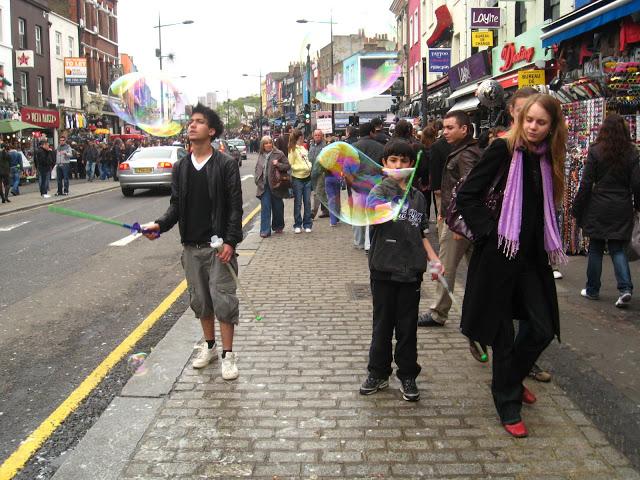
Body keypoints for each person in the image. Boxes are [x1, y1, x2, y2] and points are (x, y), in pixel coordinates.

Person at [456, 94, 568, 438]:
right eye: (529, 120)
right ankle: (507, 403)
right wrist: (490, 233)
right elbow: (467, 196)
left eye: (541, 122)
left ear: (552, 127)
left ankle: (510, 381)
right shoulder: (503, 150)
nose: (533, 128)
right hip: (499, 257)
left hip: (532, 259)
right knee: (503, 336)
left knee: (542, 327)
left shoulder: (548, 156)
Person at [142, 103, 243, 380]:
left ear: (211, 131)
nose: (192, 125)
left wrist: (231, 242)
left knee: (224, 301)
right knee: (200, 301)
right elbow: (176, 207)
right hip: (191, 247)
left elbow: (235, 207)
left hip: (218, 247)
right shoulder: (181, 167)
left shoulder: (226, 165)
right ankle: (209, 347)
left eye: (199, 122)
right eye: (191, 121)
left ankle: (228, 356)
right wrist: (159, 226)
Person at [359, 140, 443, 402]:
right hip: (383, 268)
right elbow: (373, 215)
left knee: (407, 327)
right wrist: (393, 204)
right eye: (393, 160)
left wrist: (434, 259)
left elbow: (421, 233)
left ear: (410, 164)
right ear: (384, 164)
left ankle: (407, 374)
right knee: (382, 325)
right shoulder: (378, 192)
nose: (398, 165)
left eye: (404, 161)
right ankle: (378, 372)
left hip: (411, 271)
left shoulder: (417, 197)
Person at [418, 111, 481, 328]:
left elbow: (470, 189)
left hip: (458, 223)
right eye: (444, 127)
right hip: (463, 219)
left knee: (446, 266)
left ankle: (438, 312)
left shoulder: (466, 155)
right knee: (476, 268)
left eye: (450, 128)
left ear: (464, 129)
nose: (444, 132)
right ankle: (482, 312)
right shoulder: (464, 150)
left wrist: (457, 218)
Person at [573, 113, 640, 308]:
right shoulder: (632, 152)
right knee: (617, 247)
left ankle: (592, 289)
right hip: (622, 204)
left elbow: (586, 183)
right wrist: (637, 207)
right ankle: (625, 288)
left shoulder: (596, 151)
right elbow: (637, 184)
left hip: (599, 204)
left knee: (595, 247)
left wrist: (578, 207)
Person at [352, 123, 386, 250]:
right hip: (374, 183)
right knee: (372, 212)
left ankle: (359, 241)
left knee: (357, 212)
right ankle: (370, 241)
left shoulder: (353, 147)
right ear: (372, 132)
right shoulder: (380, 147)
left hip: (358, 184)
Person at [255, 135, 289, 237]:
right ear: (262, 145)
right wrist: (257, 179)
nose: (268, 145)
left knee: (278, 207)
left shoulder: (278, 153)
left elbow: (287, 165)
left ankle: (278, 226)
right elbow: (257, 168)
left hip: (276, 185)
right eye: (266, 143)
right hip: (264, 186)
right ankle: (265, 230)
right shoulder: (261, 154)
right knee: (265, 208)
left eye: (270, 142)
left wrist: (278, 164)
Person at [288, 128, 313, 233]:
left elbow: (308, 161)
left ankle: (307, 224)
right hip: (297, 178)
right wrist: (302, 168)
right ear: (299, 137)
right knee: (298, 203)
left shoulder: (304, 148)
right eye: (302, 137)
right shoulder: (292, 149)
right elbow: (291, 164)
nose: (304, 138)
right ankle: (297, 224)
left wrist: (309, 166)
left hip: (307, 178)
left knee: (307, 202)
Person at [308, 129, 330, 219]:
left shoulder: (325, 146)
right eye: (315, 135)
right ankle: (328, 210)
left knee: (317, 191)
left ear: (322, 136)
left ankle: (313, 212)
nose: (317, 137)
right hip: (312, 172)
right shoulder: (311, 145)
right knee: (322, 192)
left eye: (319, 135)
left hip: (322, 172)